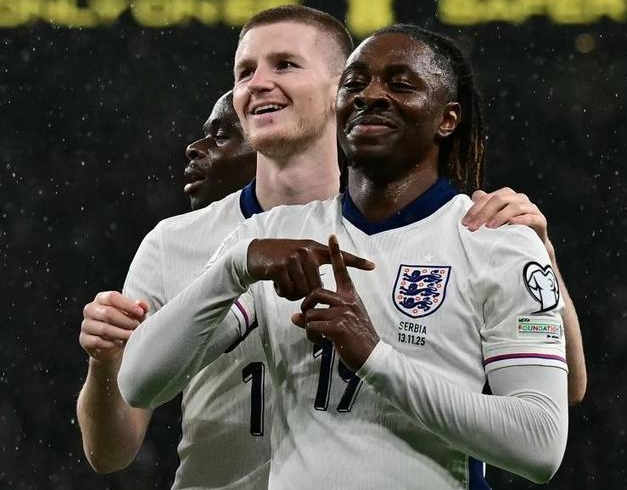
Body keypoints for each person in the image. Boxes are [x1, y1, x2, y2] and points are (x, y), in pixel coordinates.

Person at [118, 24, 574, 489]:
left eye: (400, 84)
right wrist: (234, 267)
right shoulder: (272, 235)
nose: (370, 95)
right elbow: (139, 383)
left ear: (447, 119)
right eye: (354, 84)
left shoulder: (494, 242)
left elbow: (539, 445)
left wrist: (374, 357)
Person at [76, 91, 266, 488]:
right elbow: (108, 453)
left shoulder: (358, 228)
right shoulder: (170, 244)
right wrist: (104, 362)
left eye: (221, 136)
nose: (194, 148)